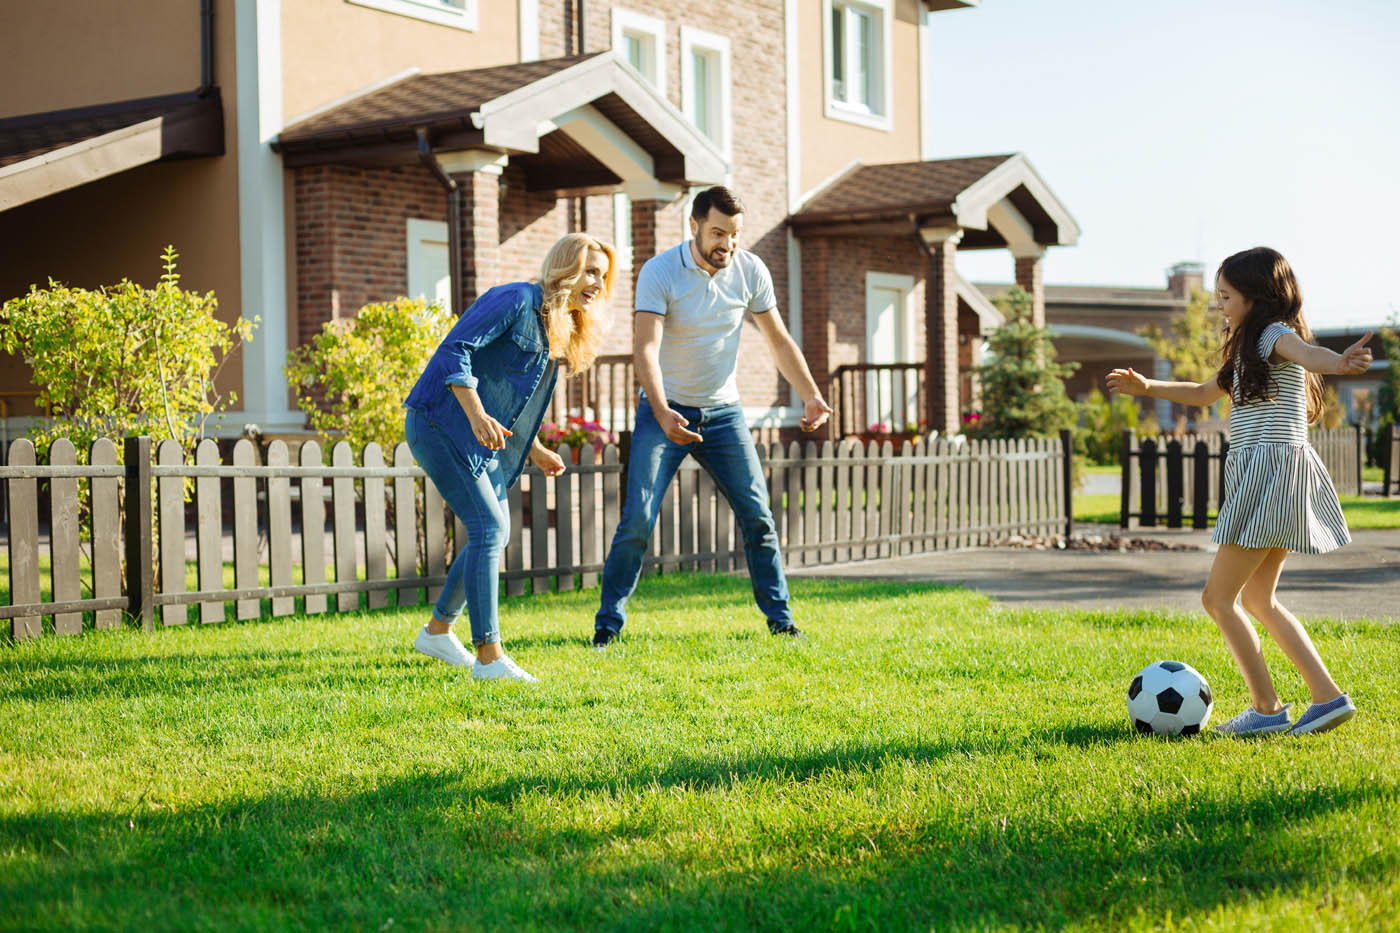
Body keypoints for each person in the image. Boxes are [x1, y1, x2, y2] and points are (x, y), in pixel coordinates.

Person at [1107, 246, 1372, 736]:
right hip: (1274, 478)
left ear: (1256, 295)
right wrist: (1148, 386)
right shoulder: (1247, 347)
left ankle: (1267, 709)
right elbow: (1204, 393)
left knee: (1217, 598)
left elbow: (1310, 356)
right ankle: (1328, 697)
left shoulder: (1274, 333)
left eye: (1226, 296)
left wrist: (1340, 361)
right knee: (1258, 600)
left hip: (1269, 475)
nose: (1220, 305)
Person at [593, 186, 832, 646]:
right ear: (695, 227)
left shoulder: (750, 270)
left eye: (736, 234)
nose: (728, 243)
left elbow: (778, 339)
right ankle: (607, 627)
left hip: (723, 413)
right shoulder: (659, 272)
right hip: (663, 412)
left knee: (758, 517)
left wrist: (811, 395)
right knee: (638, 518)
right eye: (718, 233)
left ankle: (781, 622)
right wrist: (662, 412)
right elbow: (644, 349)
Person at [405, 233, 616, 682]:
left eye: (602, 273)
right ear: (564, 267)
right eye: (589, 270)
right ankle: (489, 656)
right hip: (440, 422)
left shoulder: (555, 324)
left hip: (479, 435)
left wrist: (535, 449)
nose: (597, 282)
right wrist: (477, 413)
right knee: (490, 528)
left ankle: (438, 632)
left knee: (493, 534)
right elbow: (453, 351)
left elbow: (514, 399)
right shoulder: (515, 300)